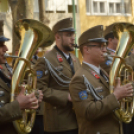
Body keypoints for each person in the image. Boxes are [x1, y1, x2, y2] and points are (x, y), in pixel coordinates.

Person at [69, 25, 133, 134]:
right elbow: (88, 112)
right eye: (100, 46)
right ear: (86, 49)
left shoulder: (102, 72)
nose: (105, 50)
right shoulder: (79, 78)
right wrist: (116, 96)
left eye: (105, 45)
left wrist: (125, 92)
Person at [34, 18, 81, 134]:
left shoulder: (75, 59)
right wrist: (66, 96)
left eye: (73, 34)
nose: (73, 38)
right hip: (59, 123)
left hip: (79, 119)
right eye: (69, 35)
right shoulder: (45, 60)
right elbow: (39, 89)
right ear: (58, 37)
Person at [0, 20, 42, 134]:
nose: (6, 49)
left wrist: (32, 96)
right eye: (1, 45)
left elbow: (15, 93)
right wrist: (18, 105)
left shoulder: (6, 68)